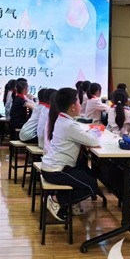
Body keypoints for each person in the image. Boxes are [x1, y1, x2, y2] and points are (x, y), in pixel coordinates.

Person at [41, 88, 102, 221]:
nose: (81, 105)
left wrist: (87, 137)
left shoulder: (62, 119)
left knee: (87, 173)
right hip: (56, 171)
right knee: (91, 186)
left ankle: (71, 203)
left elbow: (83, 137)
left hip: (52, 166)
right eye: (79, 102)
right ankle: (55, 200)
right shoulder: (69, 125)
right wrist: (92, 135)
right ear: (72, 107)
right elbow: (93, 141)